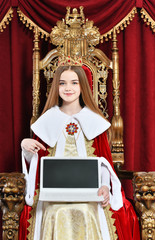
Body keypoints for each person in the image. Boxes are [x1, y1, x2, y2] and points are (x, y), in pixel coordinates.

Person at [19, 64, 140, 240]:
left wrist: (105, 186)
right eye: (62, 83)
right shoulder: (47, 121)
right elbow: (37, 163)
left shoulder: (95, 121)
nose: (68, 88)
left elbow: (104, 162)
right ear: (56, 87)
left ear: (83, 86)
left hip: (89, 192)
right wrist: (25, 146)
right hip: (54, 194)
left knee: (85, 210)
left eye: (74, 83)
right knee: (55, 211)